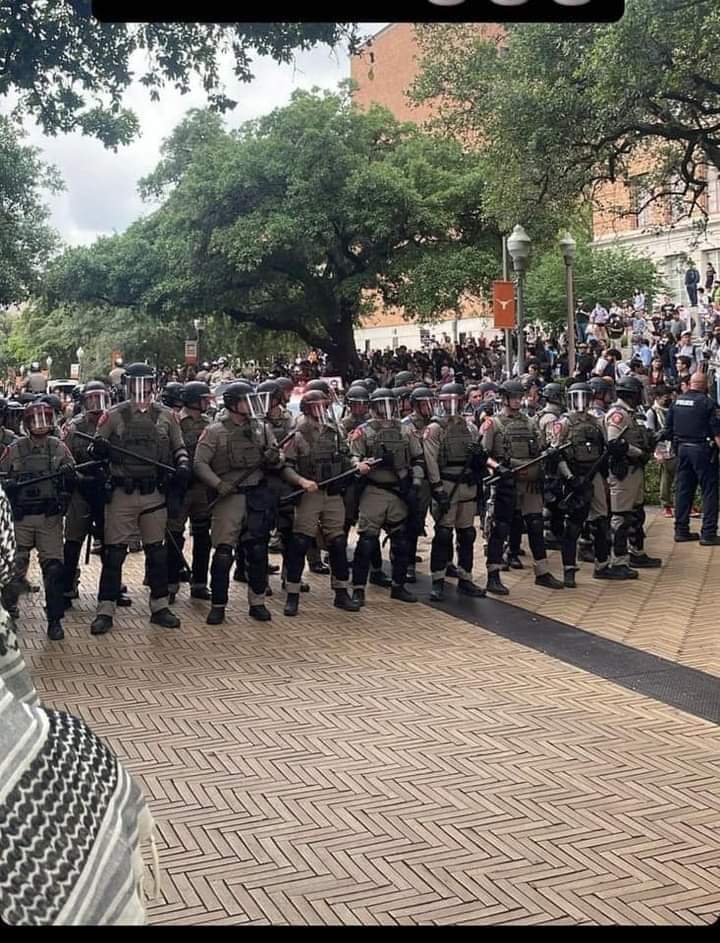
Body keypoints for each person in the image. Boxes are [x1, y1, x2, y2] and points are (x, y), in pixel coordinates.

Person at [88, 363, 191, 636]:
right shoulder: (112, 416)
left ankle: (159, 607)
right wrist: (98, 450)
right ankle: (105, 609)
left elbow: (178, 447)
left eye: (146, 384)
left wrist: (182, 467)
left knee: (157, 551)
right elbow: (95, 450)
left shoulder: (167, 416)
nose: (141, 390)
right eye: (136, 384)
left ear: (153, 384)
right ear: (127, 385)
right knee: (114, 553)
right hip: (122, 493)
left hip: (153, 492)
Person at [194, 381, 306, 624]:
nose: (251, 405)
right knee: (224, 553)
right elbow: (200, 463)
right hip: (229, 496)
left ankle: (257, 602)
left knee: (257, 551)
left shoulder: (261, 428)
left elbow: (279, 459)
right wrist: (217, 484)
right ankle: (219, 604)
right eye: (246, 400)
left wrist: (274, 457)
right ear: (233, 404)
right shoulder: (214, 431)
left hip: (256, 496)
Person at [0, 398, 76, 640]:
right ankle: (8, 610)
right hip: (21, 517)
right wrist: (8, 484)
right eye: (36, 421)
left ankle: (54, 619)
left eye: (46, 419)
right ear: (27, 424)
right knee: (15, 568)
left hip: (49, 518)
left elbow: (73, 475)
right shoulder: (14, 449)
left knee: (54, 569)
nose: (41, 426)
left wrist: (67, 476)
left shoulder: (58, 447)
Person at [281, 389, 360, 616]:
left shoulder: (335, 431)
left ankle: (342, 591)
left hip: (333, 492)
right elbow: (284, 465)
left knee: (337, 542)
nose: (323, 410)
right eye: (317, 406)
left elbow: (347, 455)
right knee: (301, 541)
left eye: (325, 406)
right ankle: (293, 594)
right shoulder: (297, 433)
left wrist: (357, 464)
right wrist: (301, 481)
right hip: (309, 493)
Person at [481, 380, 564, 595]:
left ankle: (542, 572)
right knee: (500, 528)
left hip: (530, 483)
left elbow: (540, 447)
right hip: (506, 483)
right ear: (505, 398)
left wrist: (549, 452)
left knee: (536, 525)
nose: (518, 400)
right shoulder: (493, 423)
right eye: (514, 396)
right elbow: (482, 454)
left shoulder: (529, 422)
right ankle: (493, 575)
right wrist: (497, 467)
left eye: (520, 396)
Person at [349, 388, 423, 606]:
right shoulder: (364, 431)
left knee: (401, 543)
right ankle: (359, 589)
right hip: (375, 489)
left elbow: (418, 458)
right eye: (382, 405)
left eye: (390, 404)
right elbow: (353, 457)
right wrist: (359, 465)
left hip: (399, 491)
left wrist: (415, 482)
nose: (387, 410)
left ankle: (398, 586)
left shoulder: (405, 430)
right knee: (366, 542)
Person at [423, 383, 486, 601]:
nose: (451, 406)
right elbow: (430, 460)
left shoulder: (470, 428)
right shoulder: (435, 428)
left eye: (455, 401)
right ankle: (438, 580)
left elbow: (480, 461)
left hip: (467, 485)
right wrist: (437, 488)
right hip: (447, 486)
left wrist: (479, 456)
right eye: (447, 401)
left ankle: (465, 578)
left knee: (467, 534)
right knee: (443, 534)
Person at [550, 382, 613, 584]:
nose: (581, 402)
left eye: (585, 397)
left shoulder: (597, 422)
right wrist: (569, 478)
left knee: (601, 522)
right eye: (576, 397)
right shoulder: (563, 423)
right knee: (573, 525)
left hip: (593, 474)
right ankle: (569, 570)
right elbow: (555, 453)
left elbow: (605, 446)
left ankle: (602, 565)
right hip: (574, 476)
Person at [603, 376, 660, 578]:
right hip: (623, 472)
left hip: (634, 471)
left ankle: (637, 552)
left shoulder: (631, 414)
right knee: (621, 517)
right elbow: (614, 443)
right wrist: (638, 452)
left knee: (636, 514)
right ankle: (618, 561)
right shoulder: (618, 414)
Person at [165, 381, 214, 603]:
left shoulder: (208, 423)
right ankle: (170, 583)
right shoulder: (174, 422)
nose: (207, 402)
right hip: (180, 488)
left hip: (202, 488)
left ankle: (200, 583)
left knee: (203, 536)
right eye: (203, 398)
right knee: (174, 536)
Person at [664, 371, 720, 545]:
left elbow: (668, 429)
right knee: (709, 491)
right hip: (702, 451)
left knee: (683, 490)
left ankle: (681, 530)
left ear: (690, 384)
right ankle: (708, 533)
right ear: (706, 385)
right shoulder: (709, 404)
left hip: (682, 450)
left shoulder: (676, 402)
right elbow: (717, 434)